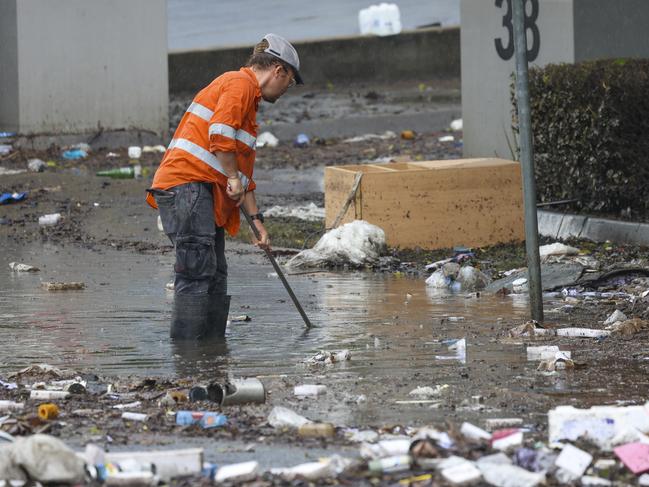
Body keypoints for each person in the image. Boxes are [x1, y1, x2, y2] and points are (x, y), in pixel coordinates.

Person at [146, 34, 303, 339]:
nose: (287, 89)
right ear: (278, 71)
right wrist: (231, 178)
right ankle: (190, 360)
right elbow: (219, 133)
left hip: (201, 193)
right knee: (196, 272)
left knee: (216, 274)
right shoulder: (239, 83)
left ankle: (211, 354)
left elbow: (242, 177)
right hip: (186, 186)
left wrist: (257, 223)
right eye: (290, 82)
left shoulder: (249, 107)